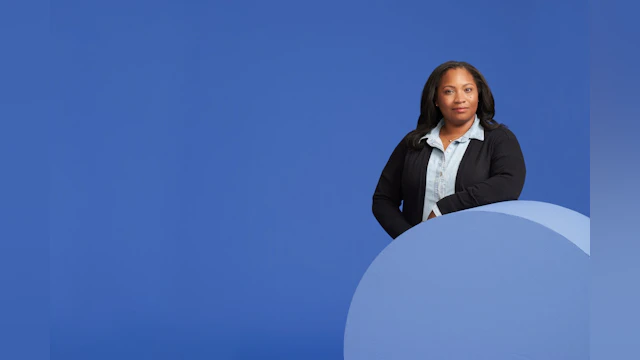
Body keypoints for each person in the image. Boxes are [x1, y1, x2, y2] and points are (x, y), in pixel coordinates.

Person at [372, 61, 526, 239]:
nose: (460, 99)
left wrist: (444, 208)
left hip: (481, 252)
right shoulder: (414, 143)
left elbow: (508, 185)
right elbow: (382, 200)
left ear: (479, 95)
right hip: (421, 257)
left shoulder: (499, 139)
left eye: (468, 90)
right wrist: (409, 239)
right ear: (436, 99)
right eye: (449, 91)